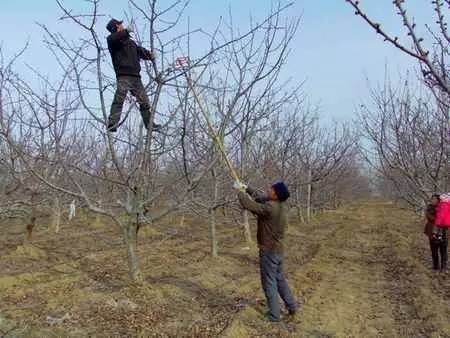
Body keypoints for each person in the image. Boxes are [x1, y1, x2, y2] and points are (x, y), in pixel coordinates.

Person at [234, 180, 298, 322]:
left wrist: (239, 192)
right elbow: (261, 197)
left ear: (276, 195)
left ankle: (274, 315)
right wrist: (247, 188)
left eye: (271, 189)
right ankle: (292, 306)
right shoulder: (279, 205)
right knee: (280, 280)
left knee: (268, 282)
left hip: (269, 251)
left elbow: (250, 205)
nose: (268, 189)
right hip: (278, 251)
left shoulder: (270, 208)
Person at [105, 18, 161, 132]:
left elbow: (140, 51)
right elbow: (114, 38)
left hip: (136, 77)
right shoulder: (112, 40)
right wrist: (126, 31)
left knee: (144, 101)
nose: (122, 25)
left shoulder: (130, 42)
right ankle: (112, 123)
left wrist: (150, 55)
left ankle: (149, 124)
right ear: (116, 27)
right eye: (120, 24)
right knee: (119, 99)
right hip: (123, 75)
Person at [424, 194, 448, 272]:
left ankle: (444, 267)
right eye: (432, 199)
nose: (433, 200)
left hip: (444, 232)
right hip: (432, 232)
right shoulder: (430, 207)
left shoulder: (444, 207)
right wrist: (438, 219)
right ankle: (435, 266)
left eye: (435, 199)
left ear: (439, 200)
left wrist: (442, 219)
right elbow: (428, 216)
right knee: (434, 250)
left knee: (443, 250)